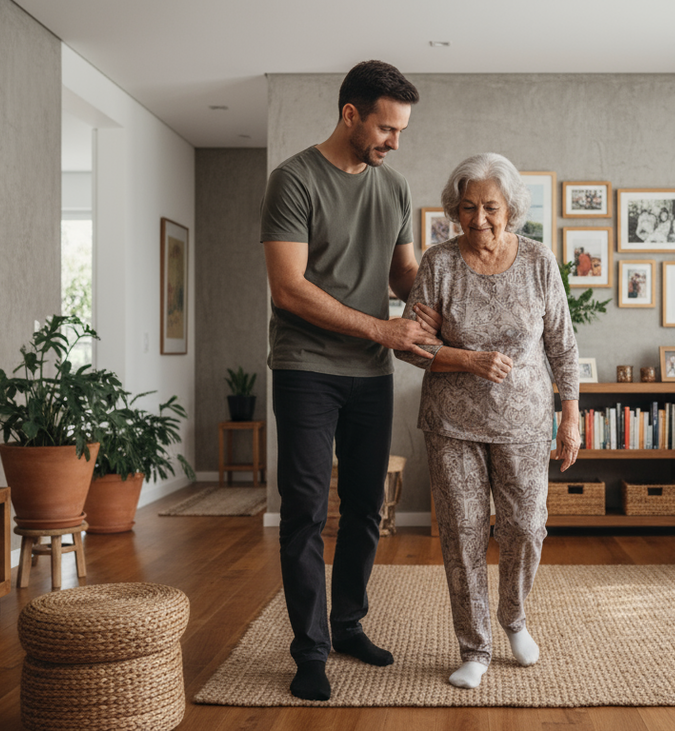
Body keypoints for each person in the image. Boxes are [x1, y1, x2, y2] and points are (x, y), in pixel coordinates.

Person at [261, 60, 440, 702]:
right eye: (388, 128)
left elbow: (403, 278)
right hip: (307, 368)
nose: (396, 142)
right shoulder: (294, 180)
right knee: (306, 514)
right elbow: (288, 289)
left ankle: (347, 626)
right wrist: (382, 331)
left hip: (370, 373)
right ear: (350, 115)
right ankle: (309, 651)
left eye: (401, 130)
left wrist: (456, 291)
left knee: (368, 509)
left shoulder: (392, 189)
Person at [396, 152, 581, 690]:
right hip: (452, 423)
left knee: (526, 528)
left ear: (511, 209)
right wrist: (466, 359)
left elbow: (562, 347)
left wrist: (569, 418)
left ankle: (514, 618)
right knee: (462, 534)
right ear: (455, 209)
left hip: (524, 421)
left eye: (491, 207)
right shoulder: (439, 264)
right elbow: (412, 346)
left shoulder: (539, 261)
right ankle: (474, 647)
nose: (479, 219)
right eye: (468, 207)